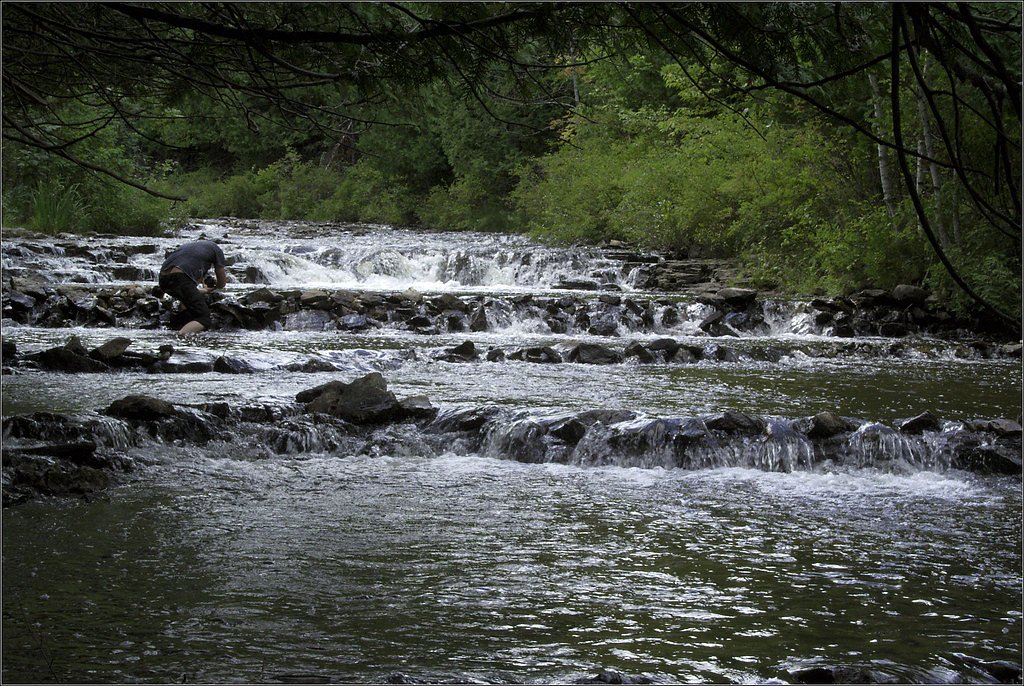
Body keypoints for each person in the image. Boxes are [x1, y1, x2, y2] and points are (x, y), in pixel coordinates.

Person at [158, 239, 227, 335]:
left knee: (187, 307)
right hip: (180, 278)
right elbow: (222, 283)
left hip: (163, 279)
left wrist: (205, 290)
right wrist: (214, 287)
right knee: (203, 318)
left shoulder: (187, 249)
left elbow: (188, 290)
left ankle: (178, 326)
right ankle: (179, 339)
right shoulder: (216, 250)